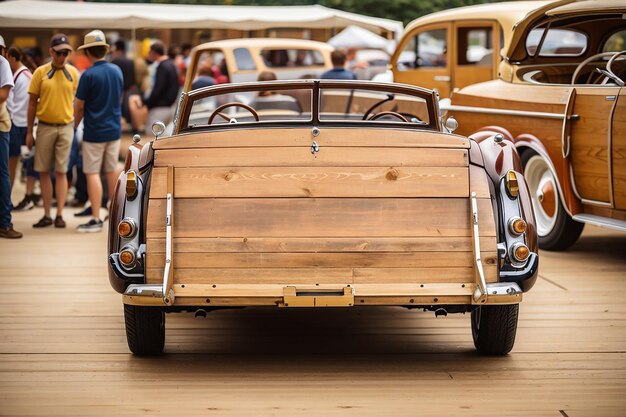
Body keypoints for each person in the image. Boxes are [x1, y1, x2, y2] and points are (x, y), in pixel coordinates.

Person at [26, 33, 79, 229]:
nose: (62, 57)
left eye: (66, 53)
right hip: (45, 126)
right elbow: (32, 103)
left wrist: (75, 124)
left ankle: (59, 214)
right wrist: (29, 131)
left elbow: (78, 101)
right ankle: (47, 213)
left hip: (65, 126)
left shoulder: (73, 73)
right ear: (51, 51)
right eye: (59, 53)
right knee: (43, 171)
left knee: (62, 171)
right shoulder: (40, 72)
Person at [74, 30, 123, 233]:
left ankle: (96, 217)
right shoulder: (117, 71)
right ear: (104, 50)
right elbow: (119, 98)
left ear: (87, 53)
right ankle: (115, 213)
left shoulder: (88, 75)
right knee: (111, 170)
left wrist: (76, 124)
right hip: (114, 129)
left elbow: (79, 106)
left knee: (92, 172)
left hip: (94, 130)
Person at [6, 47, 38, 211]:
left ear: (11, 57)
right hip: (20, 124)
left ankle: (12, 198)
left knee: (16, 164)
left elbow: (24, 104)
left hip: (20, 125)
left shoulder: (23, 76)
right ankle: (9, 198)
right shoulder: (21, 74)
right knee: (16, 164)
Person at [0, 35, 22, 238]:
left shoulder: (2, 63)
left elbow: (4, 95)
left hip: (2, 125)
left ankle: (5, 222)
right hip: (7, 123)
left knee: (3, 173)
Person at [142, 41, 179, 132]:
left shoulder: (162, 67)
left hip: (160, 108)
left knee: (152, 134)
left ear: (154, 53)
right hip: (170, 106)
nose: (149, 55)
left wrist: (148, 103)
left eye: (150, 52)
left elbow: (158, 89)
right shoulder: (171, 64)